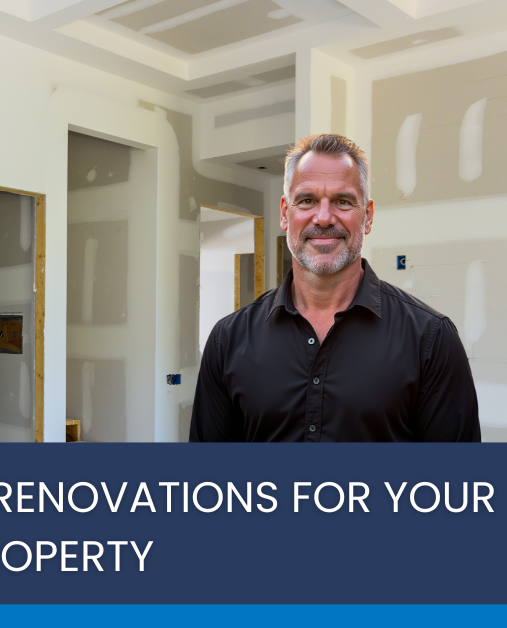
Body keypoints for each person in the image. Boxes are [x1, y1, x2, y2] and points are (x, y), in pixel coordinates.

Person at [189, 134, 480, 442]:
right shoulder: (228, 341)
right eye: (307, 201)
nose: (324, 218)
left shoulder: (431, 340)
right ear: (285, 213)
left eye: (342, 201)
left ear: (367, 217)